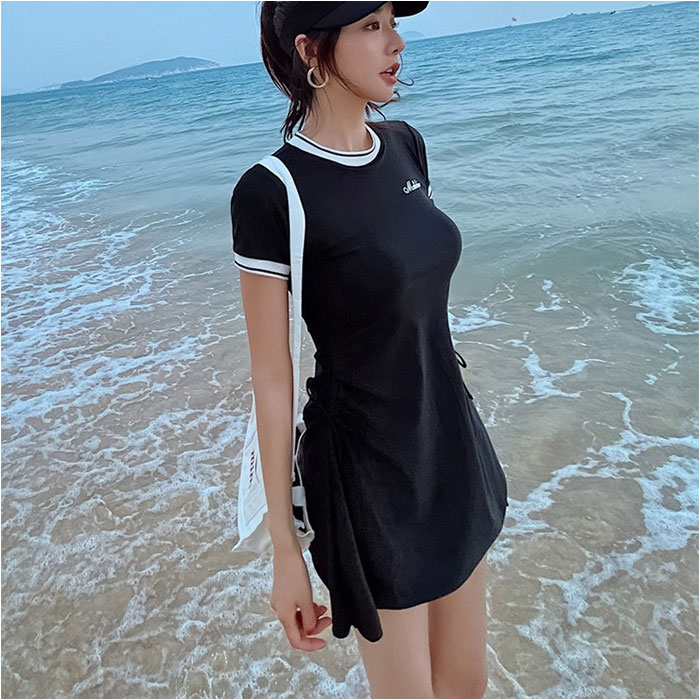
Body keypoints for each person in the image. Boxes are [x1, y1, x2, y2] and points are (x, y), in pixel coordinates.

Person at [230, 2, 510, 697]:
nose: (396, 42)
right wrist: (285, 554)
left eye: (392, 21)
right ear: (311, 50)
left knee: (466, 684)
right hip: (366, 474)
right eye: (371, 25)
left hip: (448, 441)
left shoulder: (406, 145)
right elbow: (271, 379)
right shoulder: (273, 192)